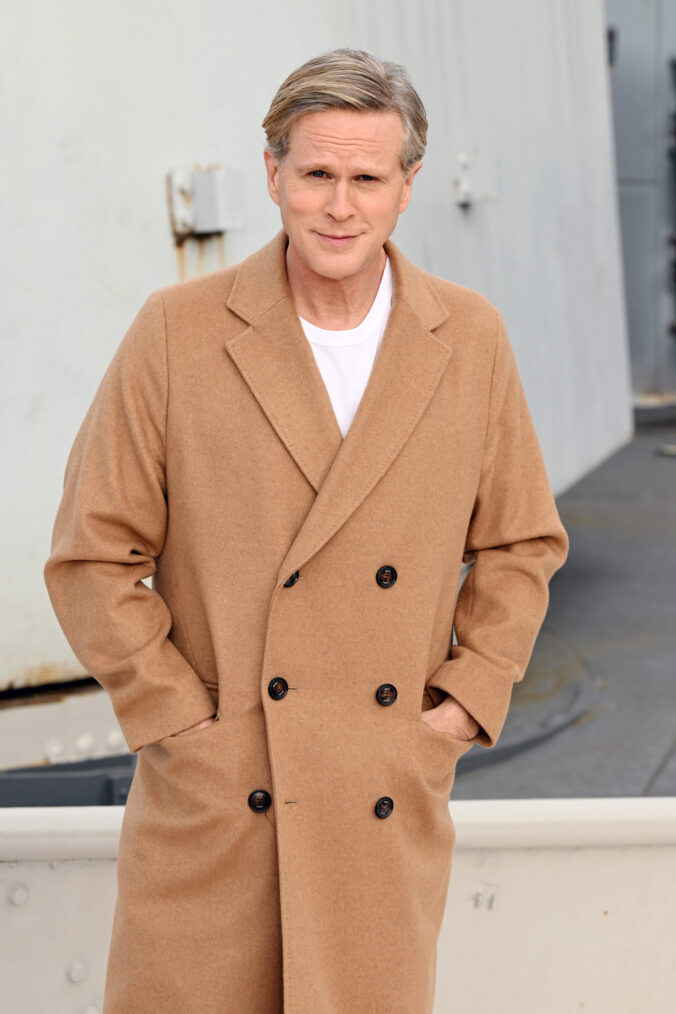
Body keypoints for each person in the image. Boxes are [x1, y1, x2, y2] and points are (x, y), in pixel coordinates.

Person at [44, 48, 569, 1014]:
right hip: (222, 793)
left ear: (408, 187)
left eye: (367, 178)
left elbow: (519, 543)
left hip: (379, 785)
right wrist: (181, 724)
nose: (339, 205)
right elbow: (91, 555)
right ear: (273, 171)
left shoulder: (469, 337)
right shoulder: (179, 331)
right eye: (317, 173)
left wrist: (457, 707)